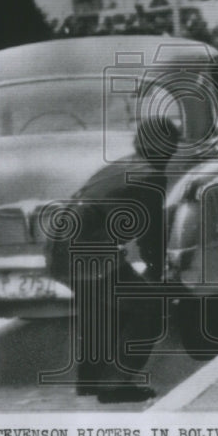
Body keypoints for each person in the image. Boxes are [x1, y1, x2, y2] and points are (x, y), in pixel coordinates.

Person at [66, 116, 179, 403]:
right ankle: (114, 385)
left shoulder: (120, 164)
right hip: (90, 251)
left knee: (101, 309)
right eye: (172, 146)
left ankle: (90, 380)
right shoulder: (151, 175)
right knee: (149, 310)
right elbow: (151, 237)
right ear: (166, 147)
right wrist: (159, 276)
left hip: (61, 247)